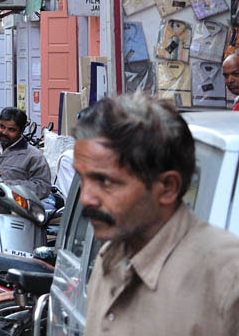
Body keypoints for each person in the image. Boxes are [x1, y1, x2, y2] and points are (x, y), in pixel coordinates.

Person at [74, 94, 239, 335]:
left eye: (106, 181)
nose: (86, 198)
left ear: (168, 188)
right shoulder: (109, 258)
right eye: (82, 178)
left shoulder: (226, 276)